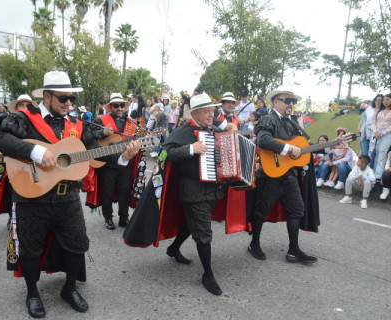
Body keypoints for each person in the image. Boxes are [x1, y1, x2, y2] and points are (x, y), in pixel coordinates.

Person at [0, 71, 140, 318]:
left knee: (77, 245)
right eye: (63, 98)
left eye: (71, 98)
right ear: (47, 96)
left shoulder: (77, 124)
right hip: (32, 196)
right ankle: (32, 293)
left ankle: (69, 288)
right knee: (30, 248)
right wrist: (36, 152)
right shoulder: (25, 117)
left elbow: (93, 151)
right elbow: (1, 140)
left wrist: (122, 157)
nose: (68, 103)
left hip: (68, 197)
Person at [124, 92, 249, 296]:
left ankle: (173, 249)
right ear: (196, 113)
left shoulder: (211, 129)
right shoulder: (184, 130)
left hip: (211, 189)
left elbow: (223, 139)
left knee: (190, 224)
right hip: (192, 190)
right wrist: (191, 148)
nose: (212, 114)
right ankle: (207, 275)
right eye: (207, 111)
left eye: (213, 110)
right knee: (204, 232)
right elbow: (164, 154)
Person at [248, 86, 318, 265]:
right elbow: (263, 140)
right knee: (261, 210)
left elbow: (301, 145)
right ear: (276, 101)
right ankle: (254, 243)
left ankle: (293, 250)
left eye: (293, 101)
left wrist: (325, 147)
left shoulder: (292, 122)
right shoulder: (268, 119)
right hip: (271, 174)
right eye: (288, 100)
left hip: (289, 175)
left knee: (297, 210)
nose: (291, 104)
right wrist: (288, 148)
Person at [0, 94, 39, 227]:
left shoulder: (38, 124)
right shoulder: (6, 122)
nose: (23, 108)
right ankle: (13, 218)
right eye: (20, 105)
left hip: (32, 166)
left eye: (27, 105)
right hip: (10, 166)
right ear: (16, 108)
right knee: (10, 194)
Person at [90, 92, 142, 230]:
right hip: (107, 163)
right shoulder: (101, 120)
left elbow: (136, 140)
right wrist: (103, 133)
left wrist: (141, 140)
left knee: (125, 191)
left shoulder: (132, 123)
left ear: (125, 107)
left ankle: (124, 218)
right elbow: (89, 136)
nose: (119, 108)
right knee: (107, 191)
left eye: (121, 105)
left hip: (125, 163)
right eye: (116, 105)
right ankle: (108, 218)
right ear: (110, 107)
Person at [370, 93, 391, 181]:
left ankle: (378, 176)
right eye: (384, 100)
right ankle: (371, 173)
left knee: (382, 154)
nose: (385, 102)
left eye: (387, 100)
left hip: (386, 134)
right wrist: (375, 131)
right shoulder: (379, 110)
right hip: (375, 133)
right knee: (372, 153)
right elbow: (373, 122)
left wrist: (383, 133)